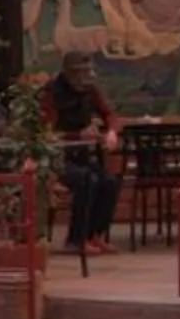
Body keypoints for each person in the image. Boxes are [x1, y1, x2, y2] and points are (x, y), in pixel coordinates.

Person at [44, 49, 122, 255]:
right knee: (87, 180)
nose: (81, 77)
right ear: (67, 72)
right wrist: (78, 136)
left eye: (85, 72)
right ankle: (75, 240)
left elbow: (109, 114)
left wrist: (112, 132)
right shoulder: (51, 92)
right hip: (58, 157)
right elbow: (47, 134)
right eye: (77, 72)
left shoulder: (90, 90)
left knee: (109, 181)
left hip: (82, 154)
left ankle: (95, 235)